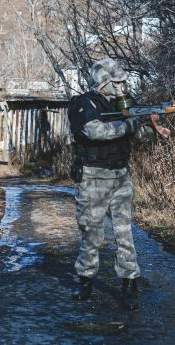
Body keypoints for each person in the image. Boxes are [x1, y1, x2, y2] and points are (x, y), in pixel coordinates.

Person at [68, 58, 169, 308]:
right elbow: (94, 131)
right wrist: (128, 125)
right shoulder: (84, 103)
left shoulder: (125, 103)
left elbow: (138, 135)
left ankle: (129, 280)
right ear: (104, 83)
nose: (123, 87)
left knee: (125, 232)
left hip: (121, 175)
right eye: (117, 83)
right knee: (92, 234)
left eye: (123, 82)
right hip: (93, 178)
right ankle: (86, 280)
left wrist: (153, 125)